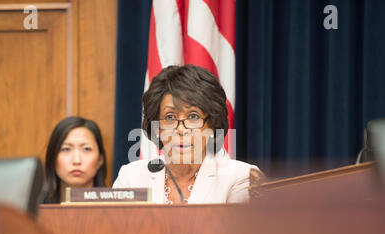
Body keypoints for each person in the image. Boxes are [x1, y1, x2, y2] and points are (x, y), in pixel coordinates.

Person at [113, 64, 262, 204]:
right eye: (170, 117)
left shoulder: (242, 177)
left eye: (193, 117)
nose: (181, 130)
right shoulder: (131, 178)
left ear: (212, 125)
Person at [41, 116, 107, 203]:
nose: (76, 160)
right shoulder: (33, 208)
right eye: (66, 149)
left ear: (100, 160)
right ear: (52, 157)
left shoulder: (116, 209)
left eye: (86, 149)